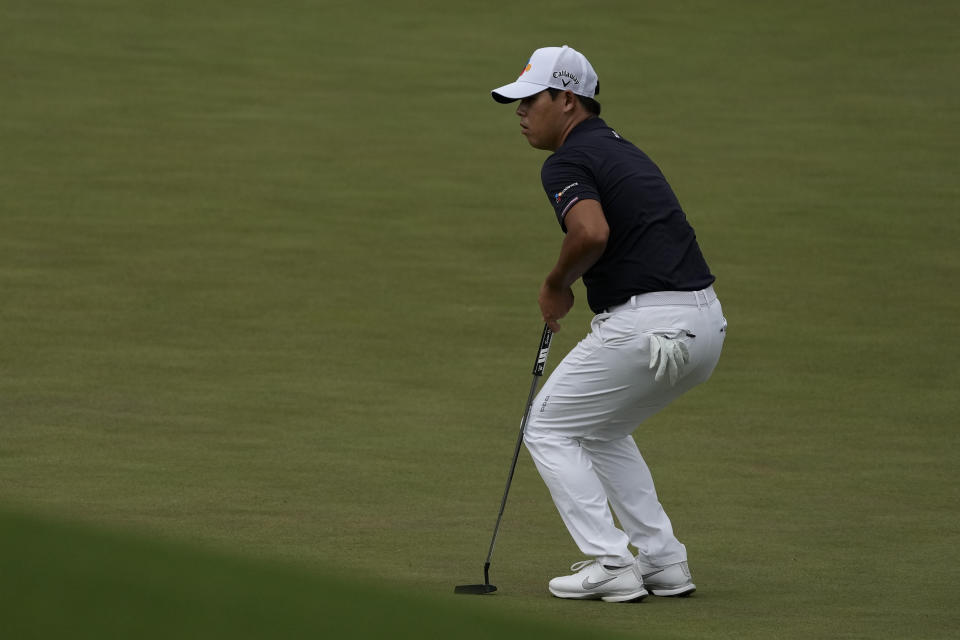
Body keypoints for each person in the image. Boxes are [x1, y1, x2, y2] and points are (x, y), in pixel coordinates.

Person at [490, 45, 727, 603]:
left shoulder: (567, 161)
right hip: (704, 325)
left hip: (646, 326)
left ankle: (610, 562)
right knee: (599, 430)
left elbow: (590, 233)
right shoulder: (620, 148)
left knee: (546, 427)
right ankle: (664, 562)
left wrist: (556, 284)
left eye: (530, 100)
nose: (520, 112)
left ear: (566, 99)